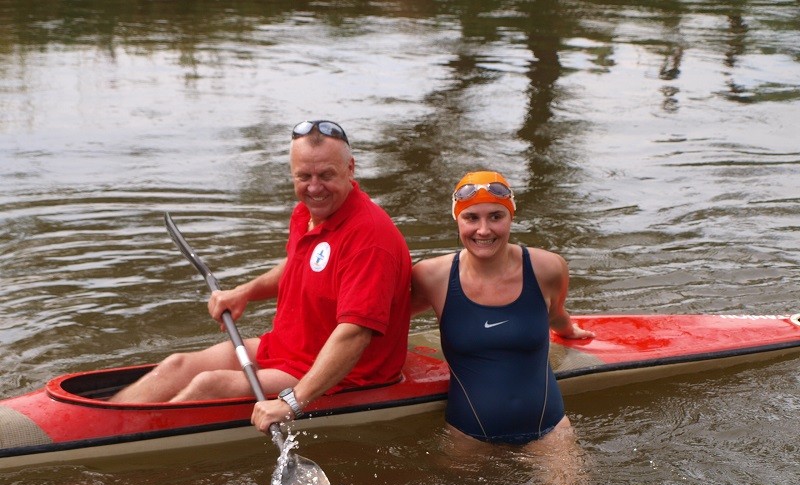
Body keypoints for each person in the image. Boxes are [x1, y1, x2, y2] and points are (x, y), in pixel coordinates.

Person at [109, 120, 412, 436]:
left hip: (346, 375)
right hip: (285, 349)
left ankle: (121, 448)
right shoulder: (309, 213)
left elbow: (355, 334)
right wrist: (244, 292)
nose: (314, 188)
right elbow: (300, 264)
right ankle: (105, 426)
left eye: (326, 175)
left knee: (209, 385)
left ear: (350, 169)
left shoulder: (369, 240)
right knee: (177, 366)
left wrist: (293, 402)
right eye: (304, 176)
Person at [410, 170, 593, 449]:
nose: (484, 230)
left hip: (550, 433)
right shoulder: (431, 276)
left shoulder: (548, 268)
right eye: (471, 217)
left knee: (575, 482)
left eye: (496, 216)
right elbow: (389, 322)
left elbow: (556, 313)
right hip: (466, 437)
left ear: (511, 217)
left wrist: (568, 331)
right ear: (457, 219)